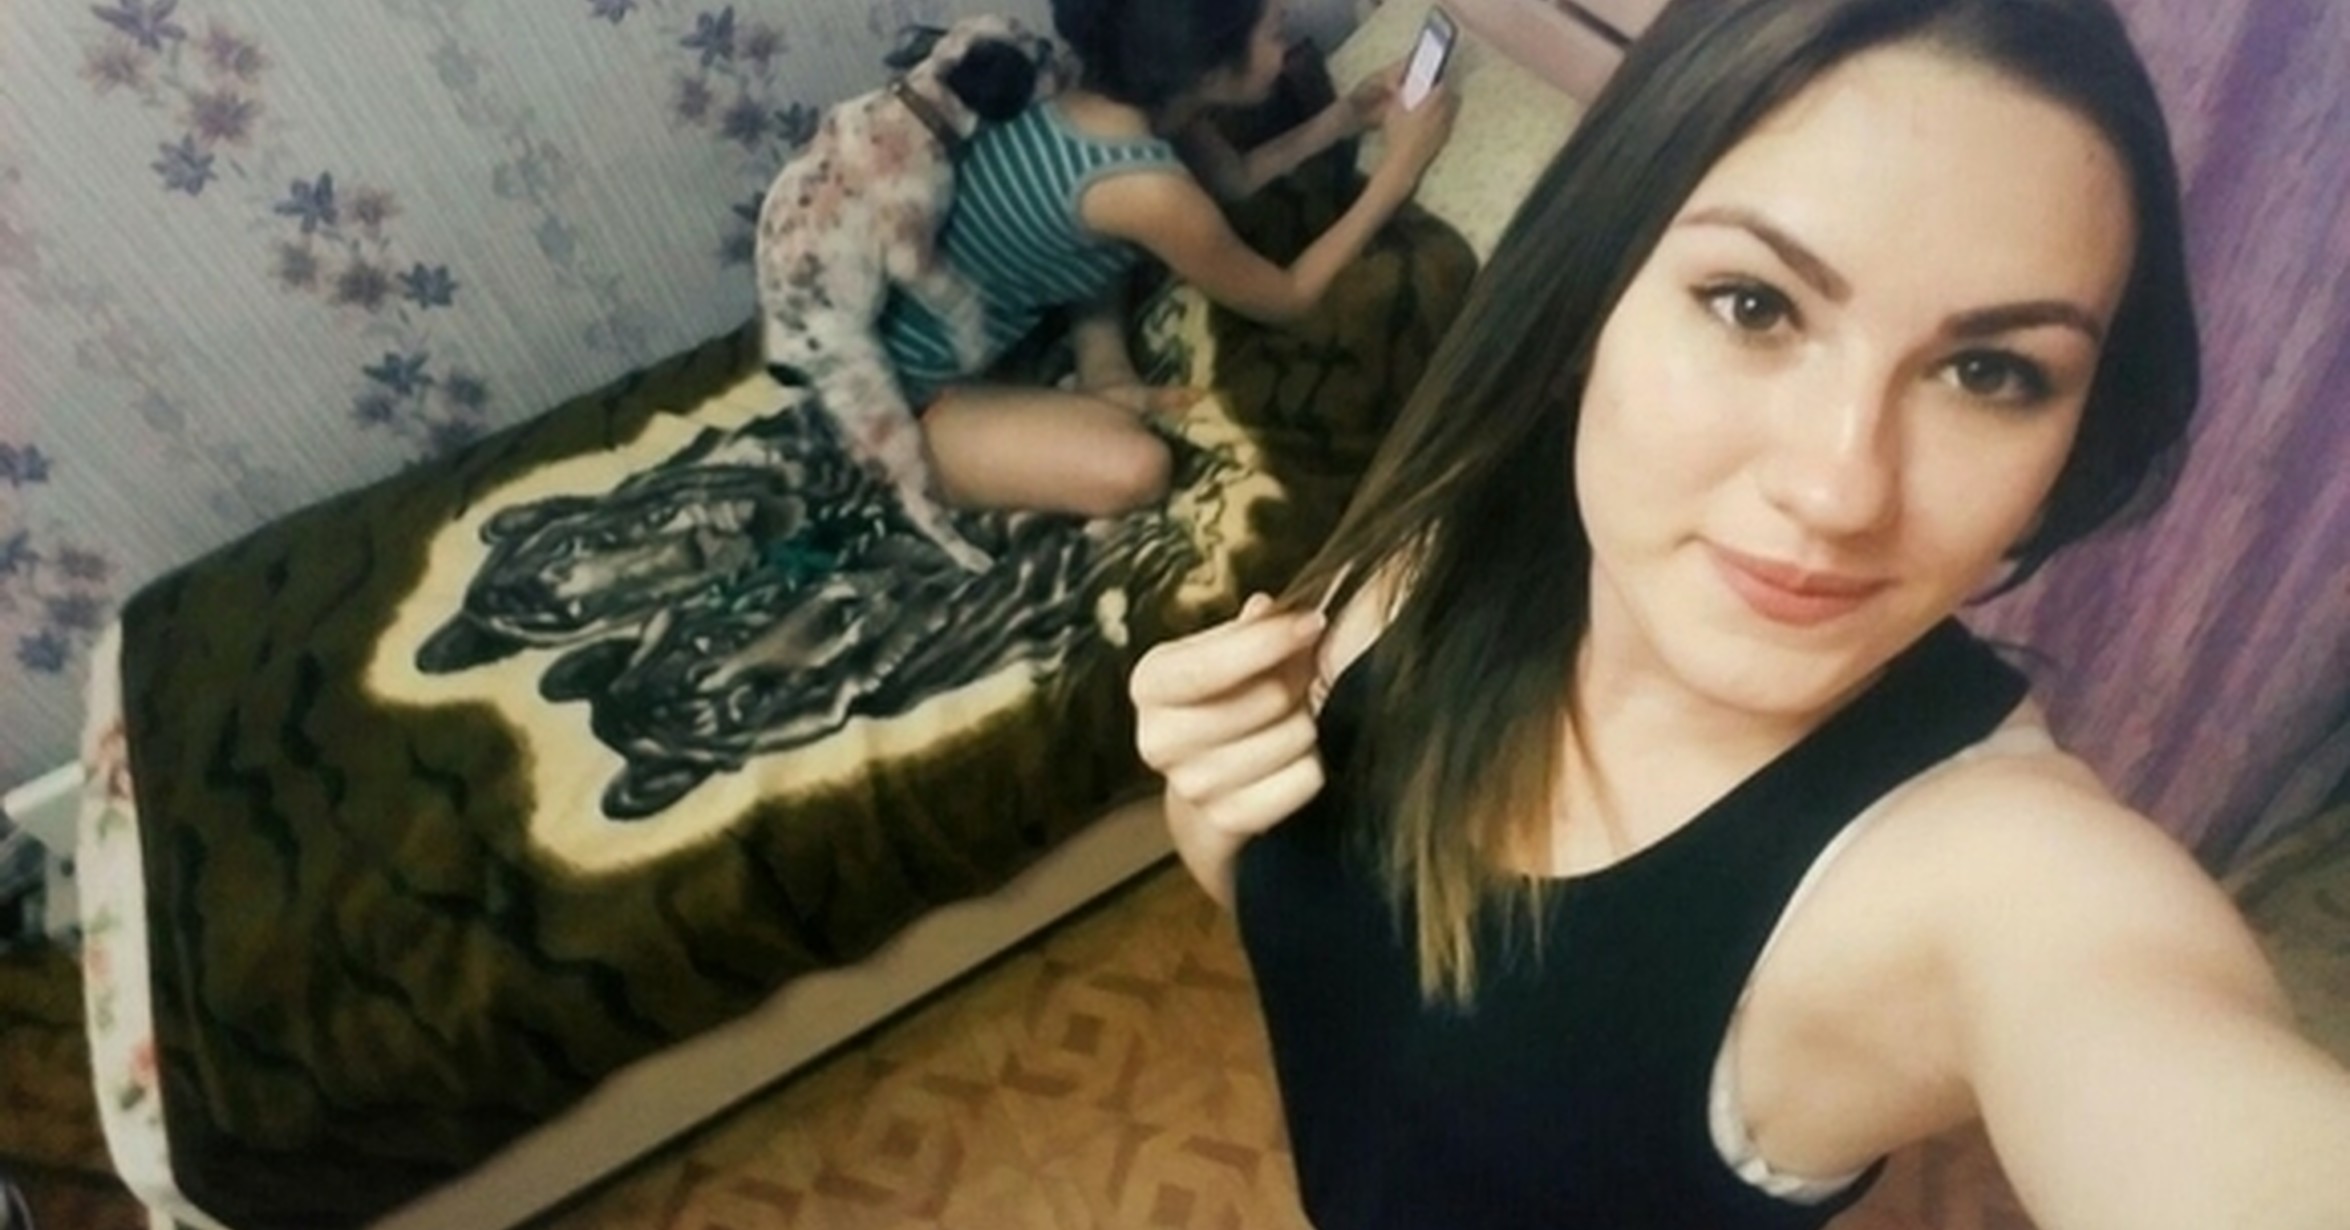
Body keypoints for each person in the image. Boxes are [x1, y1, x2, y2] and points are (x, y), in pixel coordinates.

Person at [1128, 0, 2350, 1226]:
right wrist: (1215, 796)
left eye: (1989, 372)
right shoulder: (1431, 543)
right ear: (1591, 291)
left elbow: (2175, 1074)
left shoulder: (1987, 879)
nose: (1838, 490)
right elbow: (1335, 966)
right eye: (1754, 306)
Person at [875, 0, 1458, 520]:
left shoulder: (1127, 92)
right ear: (1208, 72)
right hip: (904, 401)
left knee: (1109, 256)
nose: (1286, 39)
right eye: (1275, 33)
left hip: (963, 319)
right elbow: (1286, 298)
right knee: (1140, 467)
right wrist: (1399, 171)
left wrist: (1345, 116)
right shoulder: (1146, 188)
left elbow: (1235, 179)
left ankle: (1101, 369)